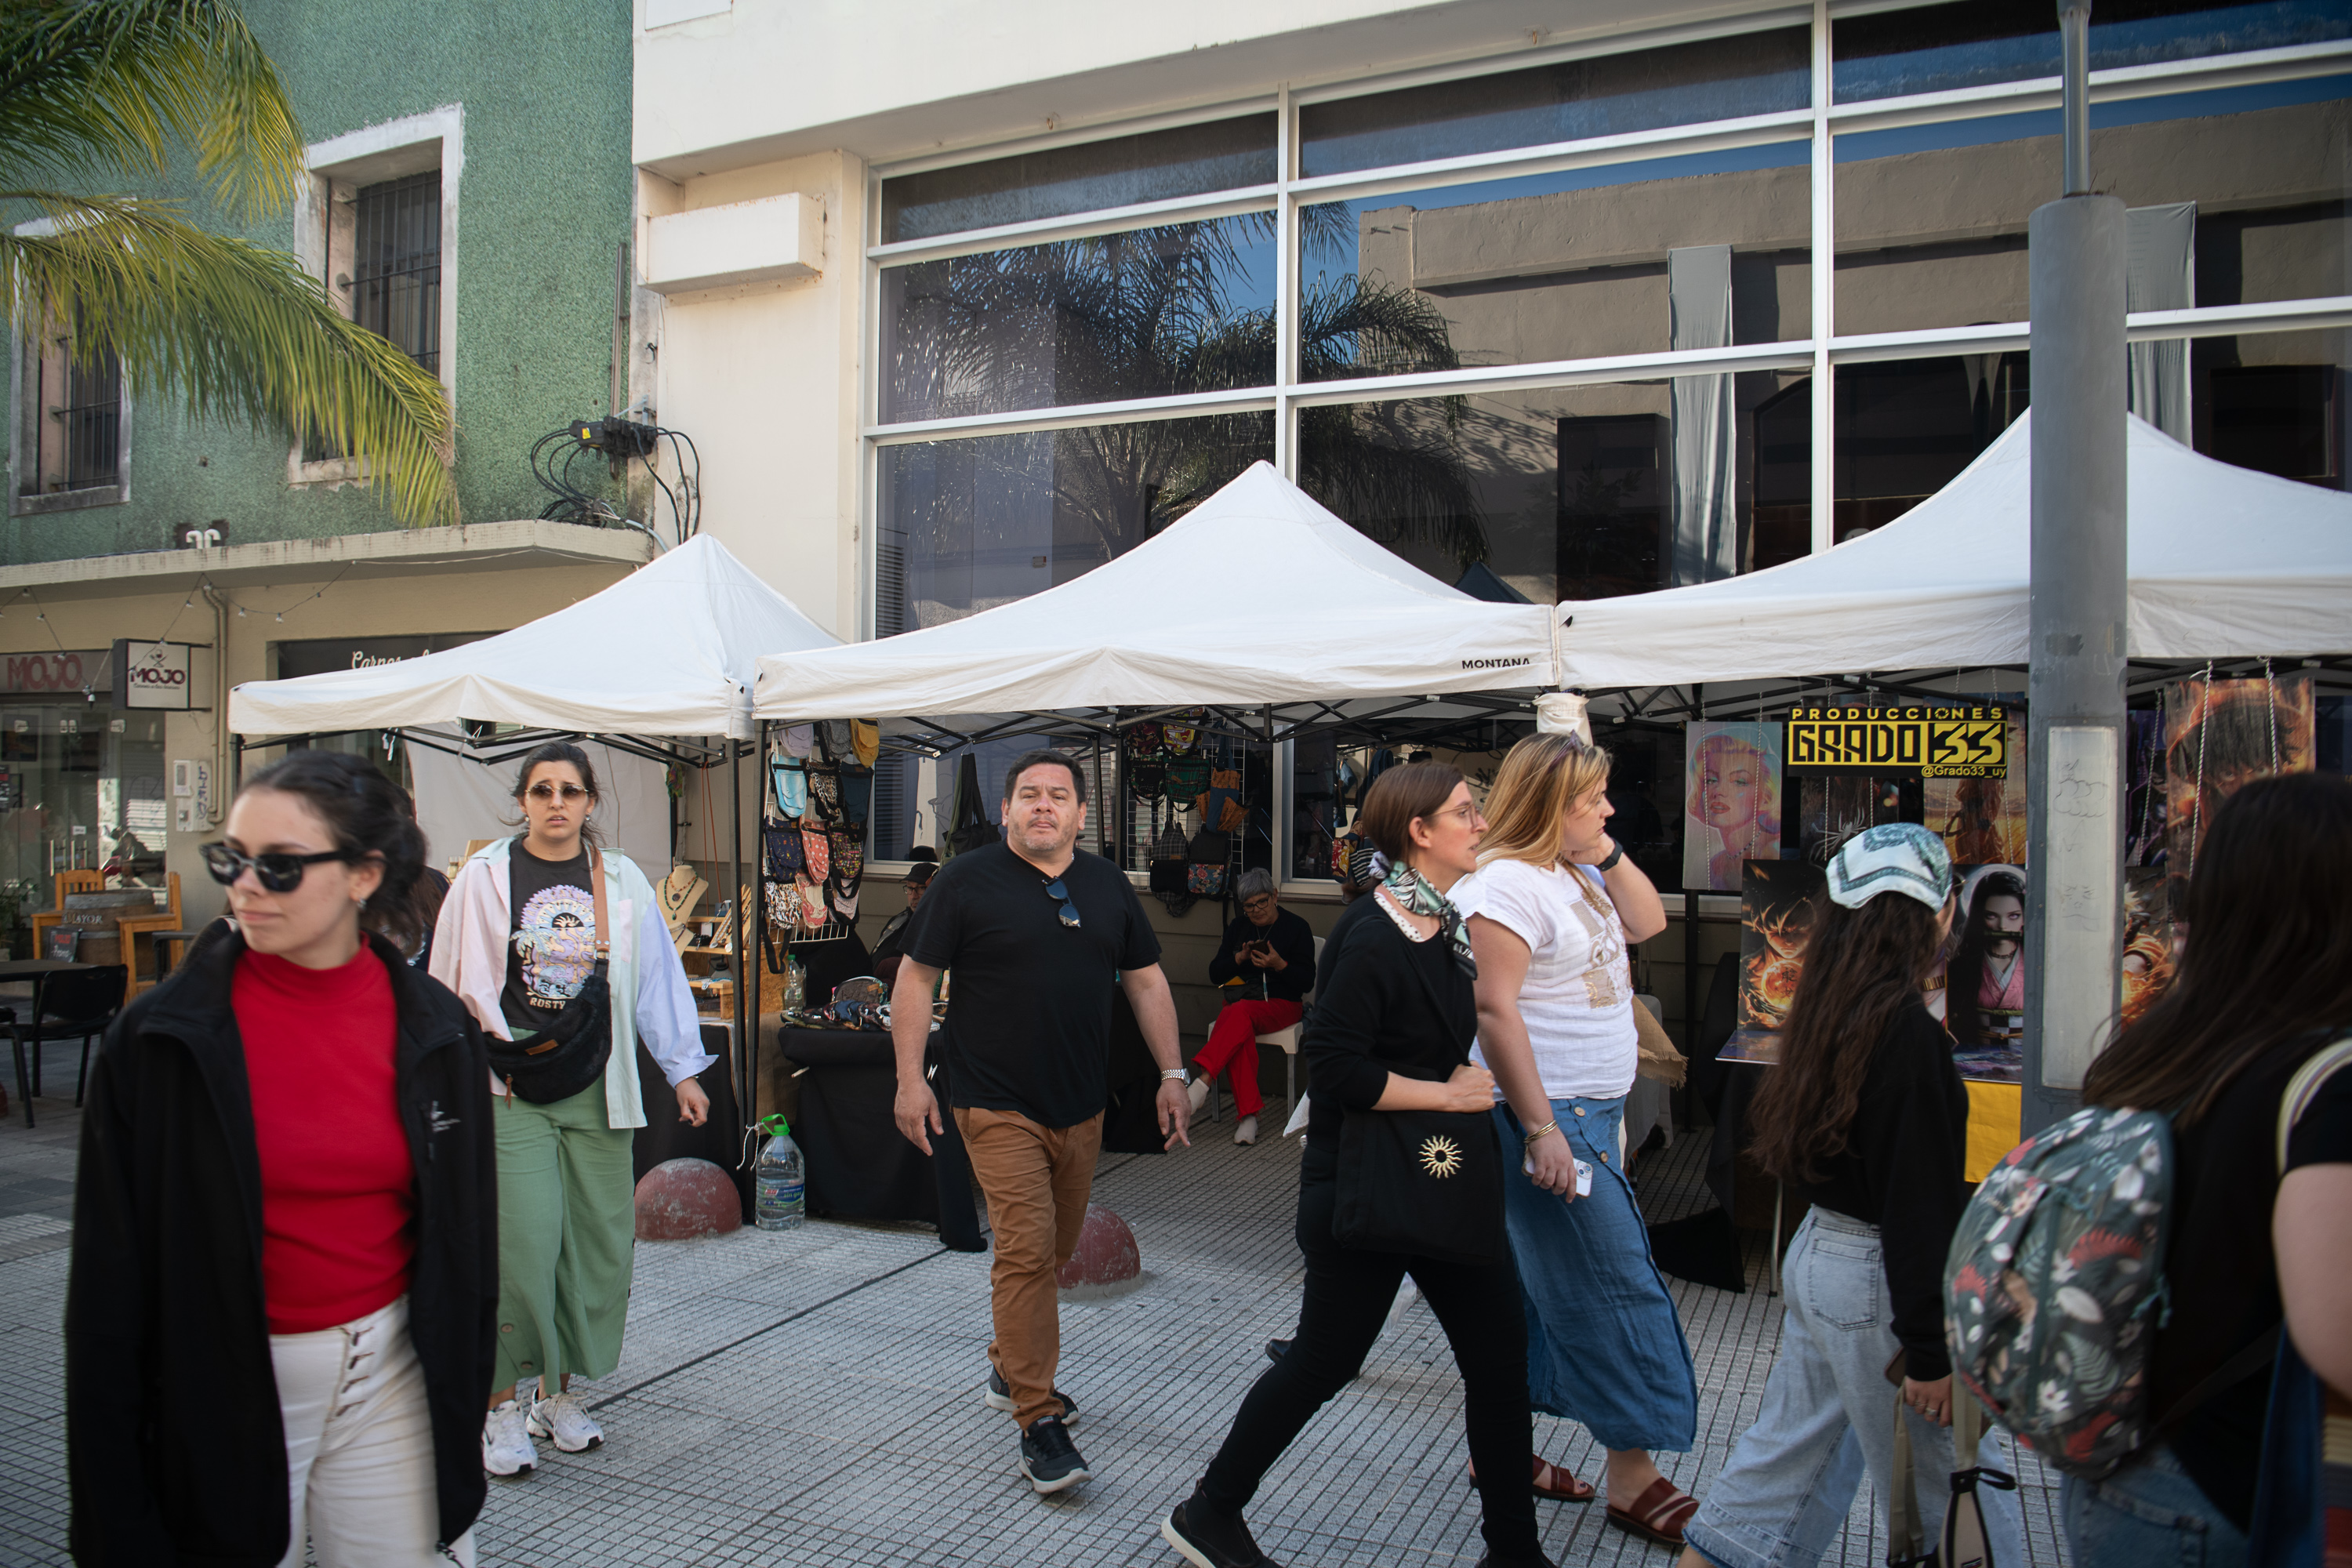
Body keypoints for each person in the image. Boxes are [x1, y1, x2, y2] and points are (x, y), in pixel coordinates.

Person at [67, 750, 498, 1566]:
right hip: (220, 1383)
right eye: (230, 859)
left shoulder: (437, 1028)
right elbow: (105, 1293)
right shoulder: (159, 1039)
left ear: (365, 874)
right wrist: (112, 1506)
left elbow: (466, 1241)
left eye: (280, 866)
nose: (245, 886)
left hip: (392, 1371)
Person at [1163, 761, 1558, 1568]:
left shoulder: (1440, 921)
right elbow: (1336, 1067)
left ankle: (1515, 1552)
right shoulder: (1374, 933)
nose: (1479, 823)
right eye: (1463, 812)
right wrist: (1449, 1098)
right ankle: (1210, 1510)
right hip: (1367, 1188)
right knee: (1325, 1359)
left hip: (1439, 1181)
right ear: (1420, 832)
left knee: (1498, 1357)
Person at [1677, 822, 2022, 1568]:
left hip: (1823, 1257)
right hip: (1878, 1280)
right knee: (1959, 1492)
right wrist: (1932, 1351)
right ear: (1939, 912)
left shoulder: (1824, 1015)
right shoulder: (1908, 1036)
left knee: (1780, 1470)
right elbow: (1918, 1207)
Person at [2063, 773, 2352, 1564]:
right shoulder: (2325, 1077)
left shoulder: (2164, 1045)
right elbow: (2340, 1333)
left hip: (2133, 1451)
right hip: (2223, 1487)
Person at [887, 749, 1192, 1496]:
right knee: (1025, 1255)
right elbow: (914, 979)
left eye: (1059, 796)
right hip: (994, 1105)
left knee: (1052, 1251)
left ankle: (1008, 1359)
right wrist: (908, 1083)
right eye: (1029, 794)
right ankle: (1037, 1418)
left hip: (1080, 1106)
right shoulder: (964, 882)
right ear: (1007, 810)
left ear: (1083, 814)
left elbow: (1146, 979)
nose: (1044, 806)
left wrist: (1173, 1074)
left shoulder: (1106, 884)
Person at [429, 741, 714, 1479]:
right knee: (521, 1243)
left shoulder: (618, 880)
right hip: (510, 1082)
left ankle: (557, 1397)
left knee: (593, 1246)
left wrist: (683, 1070)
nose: (557, 803)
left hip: (598, 1078)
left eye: (571, 791)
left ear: (590, 803)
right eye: (542, 790)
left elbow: (656, 982)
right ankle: (497, 1406)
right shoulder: (484, 877)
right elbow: (445, 980)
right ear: (522, 801)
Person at [1457, 732, 1697, 1542]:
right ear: (1549, 804)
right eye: (1592, 797)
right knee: (1608, 1283)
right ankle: (1633, 1474)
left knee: (1532, 1288)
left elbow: (1649, 919)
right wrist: (1540, 1128)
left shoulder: (1573, 869)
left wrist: (1607, 848)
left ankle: (1502, 1446)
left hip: (1588, 1111)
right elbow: (1496, 1010)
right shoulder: (1506, 885)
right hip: (1550, 1114)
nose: (1608, 806)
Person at [1187, 868, 1317, 1146]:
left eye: (1262, 902)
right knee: (1240, 1024)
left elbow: (1306, 981)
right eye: (1249, 906)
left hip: (1282, 1005)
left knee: (1237, 1014)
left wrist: (1279, 965)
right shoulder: (1238, 928)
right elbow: (1215, 974)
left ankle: (1204, 1082)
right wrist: (1239, 958)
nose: (1256, 910)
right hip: (1241, 1003)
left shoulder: (1297, 927)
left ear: (1275, 896)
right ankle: (1249, 1117)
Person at [1686, 728, 1780, 890]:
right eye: (1710, 780)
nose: (1719, 791)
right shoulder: (1716, 864)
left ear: (1766, 796)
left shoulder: (1771, 853)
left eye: (1739, 781)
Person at [1945, 866, 2026, 1051]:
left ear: (2024, 919)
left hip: (2028, 1058)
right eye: (1991, 916)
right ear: (1980, 917)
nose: (2002, 926)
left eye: (2013, 916)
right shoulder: (1964, 965)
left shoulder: (2037, 964)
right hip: (1977, 1056)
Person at [868, 858, 935, 986]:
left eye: (921, 888)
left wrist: (892, 966)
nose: (914, 895)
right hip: (873, 988)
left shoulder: (936, 925)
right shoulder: (899, 919)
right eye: (910, 888)